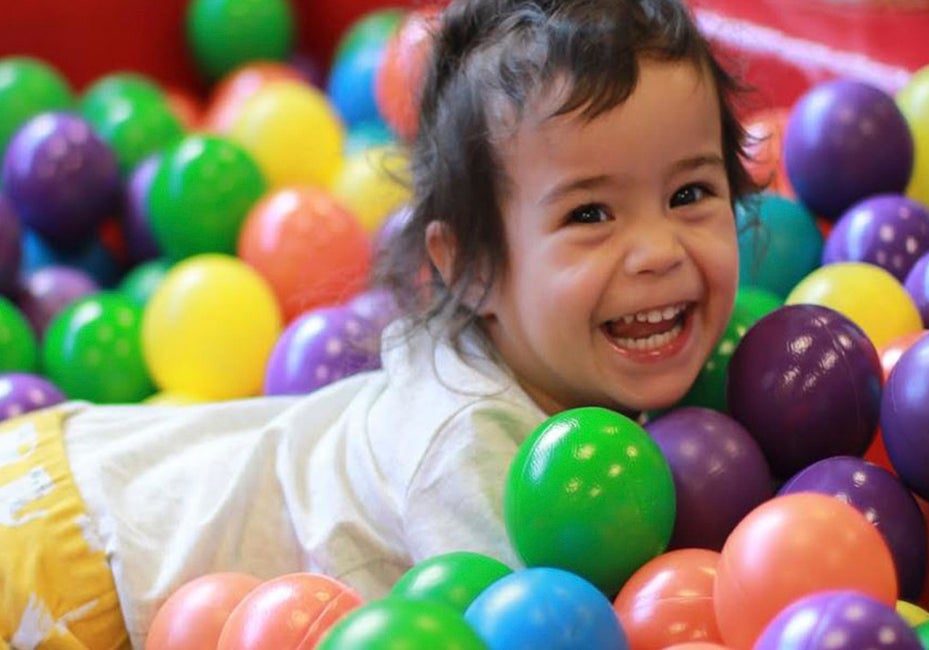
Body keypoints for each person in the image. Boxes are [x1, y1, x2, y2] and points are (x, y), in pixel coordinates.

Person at [0, 0, 759, 647]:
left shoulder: (575, 364)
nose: (658, 251)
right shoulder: (473, 453)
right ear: (472, 268)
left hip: (96, 477)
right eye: (589, 213)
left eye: (690, 193)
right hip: (77, 571)